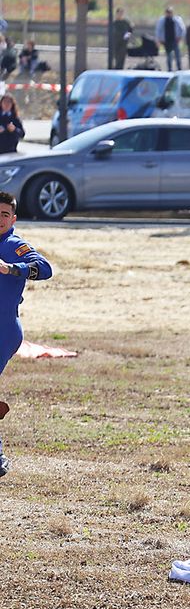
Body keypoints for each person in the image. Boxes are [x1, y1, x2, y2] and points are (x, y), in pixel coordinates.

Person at [0, 192, 53, 477]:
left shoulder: (14, 246)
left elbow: (45, 268)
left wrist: (11, 269)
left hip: (3, 329)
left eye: (4, 215)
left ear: (13, 219)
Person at [159, 7, 183, 71]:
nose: (169, 14)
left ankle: (179, 68)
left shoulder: (176, 20)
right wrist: (159, 39)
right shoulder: (162, 20)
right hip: (167, 41)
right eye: (168, 12)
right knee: (169, 56)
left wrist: (180, 37)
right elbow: (158, 30)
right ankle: (169, 69)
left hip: (175, 40)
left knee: (177, 55)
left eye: (170, 12)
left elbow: (182, 28)